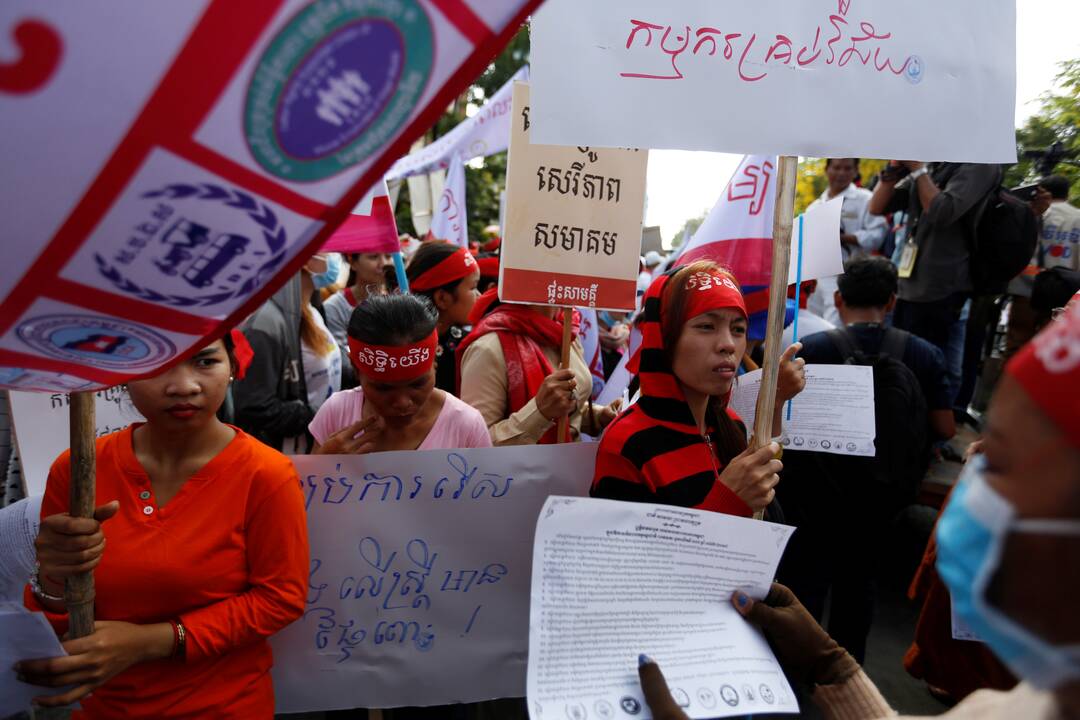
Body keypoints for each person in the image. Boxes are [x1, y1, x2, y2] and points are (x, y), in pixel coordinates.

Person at [639, 298, 1080, 719]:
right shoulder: (1032, 701)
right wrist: (838, 672)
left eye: (1002, 464)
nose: (730, 344)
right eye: (986, 451)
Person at [20, 332, 308, 717]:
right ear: (124, 375)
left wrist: (151, 642)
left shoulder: (267, 475)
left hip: (224, 707)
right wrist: (53, 577)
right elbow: (59, 613)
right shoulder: (76, 471)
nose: (184, 386)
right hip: (103, 708)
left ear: (234, 367)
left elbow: (279, 600)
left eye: (206, 362)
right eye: (157, 366)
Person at [778, 256, 954, 664]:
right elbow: (945, 427)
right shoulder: (925, 354)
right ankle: (847, 673)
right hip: (883, 502)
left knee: (806, 584)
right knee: (860, 588)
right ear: (892, 301)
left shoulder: (812, 351)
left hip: (815, 497)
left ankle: (794, 674)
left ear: (837, 299)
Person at [591, 262, 806, 517]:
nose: (728, 344)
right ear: (664, 338)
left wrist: (776, 401)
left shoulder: (730, 424)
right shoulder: (626, 443)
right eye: (706, 326)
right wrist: (728, 499)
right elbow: (629, 556)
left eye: (738, 329)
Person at [868, 161, 1002, 404]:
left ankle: (929, 433)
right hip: (908, 284)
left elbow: (942, 211)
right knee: (900, 365)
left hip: (942, 288)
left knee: (928, 370)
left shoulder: (979, 165)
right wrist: (892, 170)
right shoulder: (935, 164)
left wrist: (919, 170)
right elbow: (877, 206)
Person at [309, 293, 491, 454]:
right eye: (383, 388)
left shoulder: (467, 427)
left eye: (417, 384)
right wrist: (324, 465)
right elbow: (306, 490)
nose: (403, 403)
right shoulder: (336, 412)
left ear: (434, 363)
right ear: (356, 369)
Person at [457, 290, 620, 446]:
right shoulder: (488, 348)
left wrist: (599, 416)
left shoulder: (565, 328)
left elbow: (568, 409)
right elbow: (475, 445)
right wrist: (539, 412)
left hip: (569, 468)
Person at [234, 254, 340, 453]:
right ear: (307, 260)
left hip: (314, 448)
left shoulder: (313, 309)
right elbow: (254, 405)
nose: (335, 258)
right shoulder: (267, 322)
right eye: (329, 250)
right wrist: (319, 417)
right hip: (286, 454)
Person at [806, 159, 889, 325]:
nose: (841, 173)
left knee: (835, 324)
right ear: (827, 169)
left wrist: (845, 238)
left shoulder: (865, 199)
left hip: (850, 274)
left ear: (855, 170)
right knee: (814, 321)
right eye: (836, 168)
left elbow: (878, 235)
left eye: (847, 168)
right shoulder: (815, 206)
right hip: (816, 276)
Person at [1007, 175, 1080, 353]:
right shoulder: (1078, 218)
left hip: (1025, 291)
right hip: (1062, 295)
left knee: (1016, 347)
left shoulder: (1032, 212)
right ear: (1067, 194)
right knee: (1049, 352)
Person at [406, 242, 481, 394]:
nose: (480, 296)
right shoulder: (399, 346)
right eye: (473, 288)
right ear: (442, 298)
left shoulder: (468, 346)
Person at [323, 251, 392, 352]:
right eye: (373, 257)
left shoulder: (396, 301)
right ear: (353, 262)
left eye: (388, 256)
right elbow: (340, 356)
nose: (384, 264)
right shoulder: (334, 307)